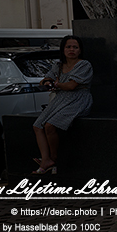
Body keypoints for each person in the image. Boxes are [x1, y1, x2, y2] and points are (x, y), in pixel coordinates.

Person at [32, 35, 93, 175]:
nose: (71, 50)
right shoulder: (58, 66)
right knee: (37, 125)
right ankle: (45, 159)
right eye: (68, 47)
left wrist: (57, 84)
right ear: (63, 49)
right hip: (60, 99)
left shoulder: (84, 65)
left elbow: (72, 86)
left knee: (50, 125)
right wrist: (47, 82)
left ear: (80, 50)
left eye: (75, 47)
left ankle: (53, 158)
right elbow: (46, 79)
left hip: (78, 99)